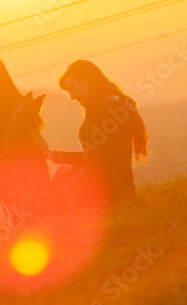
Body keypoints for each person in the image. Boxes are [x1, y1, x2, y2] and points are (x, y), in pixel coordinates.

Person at [45, 60, 149, 209]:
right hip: (125, 190)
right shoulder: (118, 103)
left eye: (72, 88)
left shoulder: (98, 110)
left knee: (62, 175)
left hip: (105, 195)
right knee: (65, 173)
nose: (72, 96)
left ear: (86, 80)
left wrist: (53, 155)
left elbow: (94, 161)